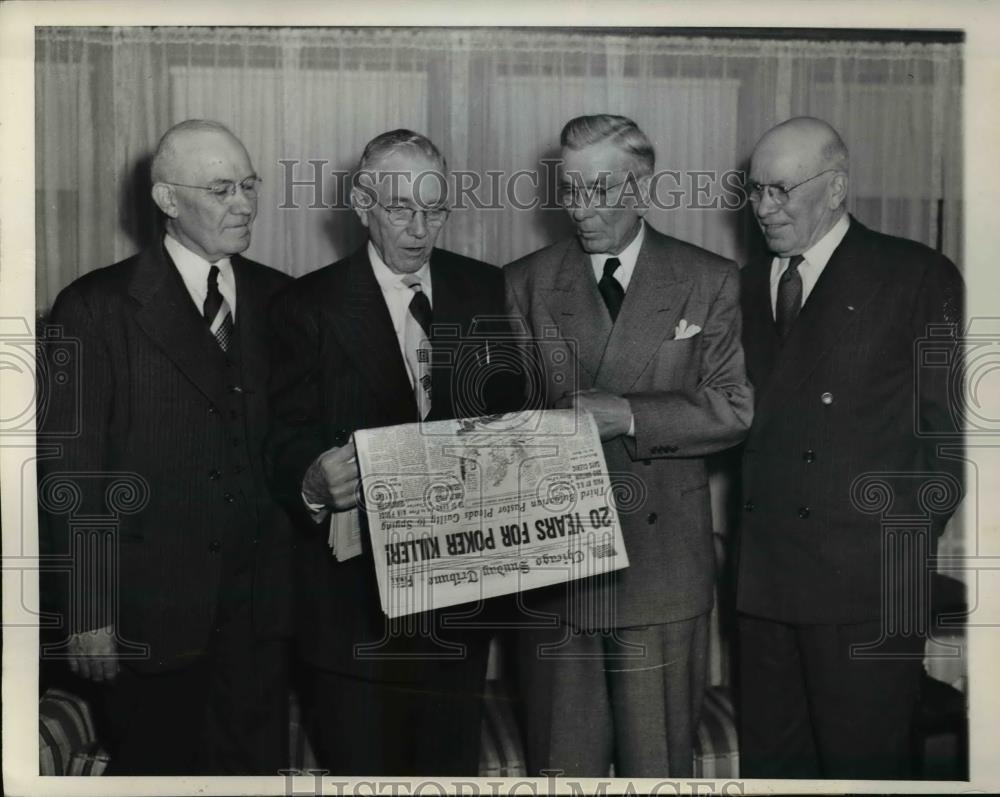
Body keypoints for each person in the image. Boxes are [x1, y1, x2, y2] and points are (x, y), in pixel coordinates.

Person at [38, 119, 293, 774]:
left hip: (258, 624)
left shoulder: (281, 298)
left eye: (249, 185)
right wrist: (90, 611)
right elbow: (72, 473)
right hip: (148, 620)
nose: (243, 203)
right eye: (220, 189)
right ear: (167, 201)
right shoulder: (92, 307)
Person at [504, 114, 753, 777]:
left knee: (658, 770)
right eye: (570, 189)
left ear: (642, 185)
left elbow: (733, 408)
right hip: (558, 573)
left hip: (663, 574)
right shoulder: (523, 282)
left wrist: (628, 414)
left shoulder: (709, 279)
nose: (582, 209)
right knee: (564, 771)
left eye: (602, 190)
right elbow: (505, 430)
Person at [266, 129, 519, 776]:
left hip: (459, 604)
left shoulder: (487, 289)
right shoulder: (305, 304)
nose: (419, 228)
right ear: (361, 205)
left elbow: (515, 418)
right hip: (351, 614)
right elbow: (279, 436)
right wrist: (313, 480)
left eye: (434, 210)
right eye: (401, 208)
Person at [737, 116, 965, 779]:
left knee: (861, 771)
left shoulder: (914, 275)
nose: (763, 208)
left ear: (835, 188)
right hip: (765, 586)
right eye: (754, 191)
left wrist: (891, 560)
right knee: (774, 772)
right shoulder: (748, 284)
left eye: (780, 190)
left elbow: (946, 451)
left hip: (864, 591)